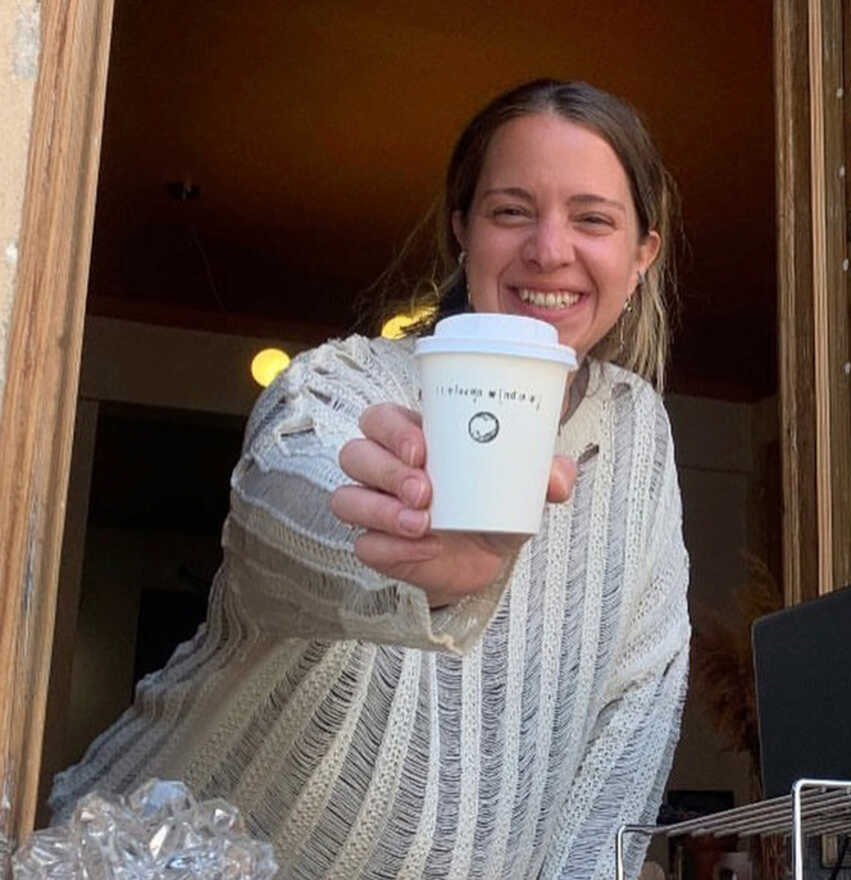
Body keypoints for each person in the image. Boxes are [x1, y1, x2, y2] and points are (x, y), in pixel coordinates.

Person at [50, 79, 691, 880]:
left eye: (592, 218)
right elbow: (276, 519)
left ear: (642, 255)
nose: (550, 250)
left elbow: (634, 714)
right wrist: (409, 559)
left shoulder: (638, 439)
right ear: (464, 231)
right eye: (511, 211)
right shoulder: (341, 385)